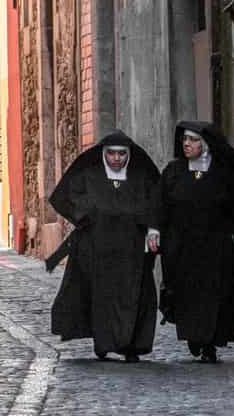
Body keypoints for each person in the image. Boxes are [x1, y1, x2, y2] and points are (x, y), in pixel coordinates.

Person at [151, 121, 234, 363]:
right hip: (182, 247)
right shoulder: (173, 172)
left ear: (205, 144)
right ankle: (194, 337)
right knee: (188, 294)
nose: (187, 144)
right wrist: (154, 230)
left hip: (216, 246)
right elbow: (160, 204)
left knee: (215, 294)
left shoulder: (222, 174)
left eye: (193, 140)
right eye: (185, 139)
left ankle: (210, 344)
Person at [48, 129, 160, 362]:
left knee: (133, 297)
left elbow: (155, 205)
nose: (116, 159)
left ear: (128, 155)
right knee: (102, 297)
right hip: (98, 249)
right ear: (103, 154)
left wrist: (152, 229)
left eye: (121, 154)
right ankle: (104, 341)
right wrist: (85, 217)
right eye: (111, 154)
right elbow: (64, 197)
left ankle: (131, 346)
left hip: (131, 251)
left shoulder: (141, 178)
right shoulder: (89, 176)